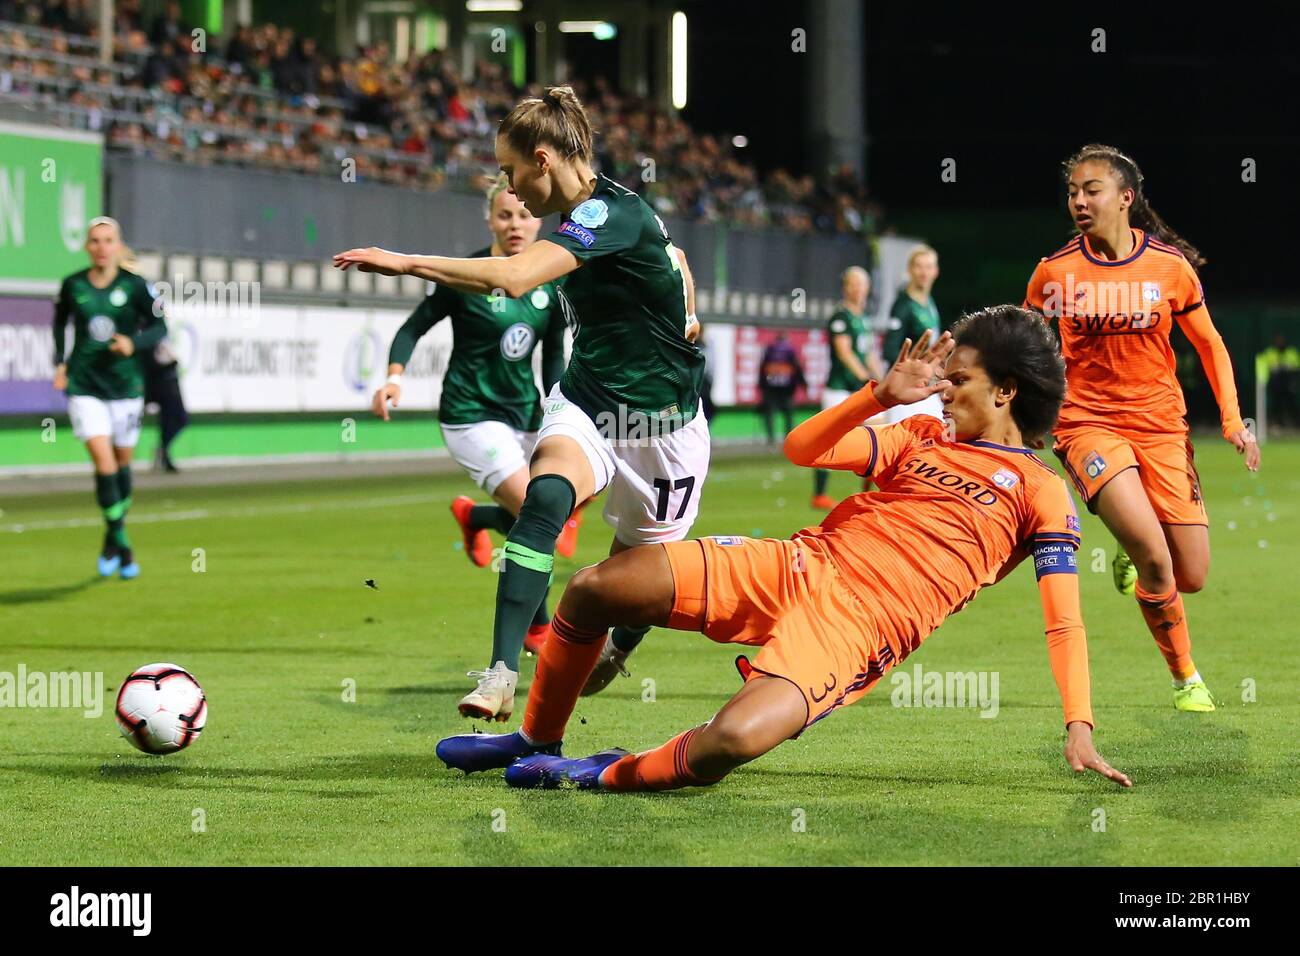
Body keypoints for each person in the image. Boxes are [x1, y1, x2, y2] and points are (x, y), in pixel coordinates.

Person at [435, 309, 1132, 794]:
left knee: (728, 744)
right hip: (796, 565)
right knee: (595, 588)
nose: (943, 390)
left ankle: (608, 770)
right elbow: (805, 450)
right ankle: (537, 739)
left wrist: (1080, 727)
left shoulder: (1042, 492)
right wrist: (874, 397)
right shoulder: (922, 436)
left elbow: (1063, 620)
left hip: (857, 631)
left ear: (1007, 391)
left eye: (961, 380)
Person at [335, 86, 709, 720]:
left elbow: (515, 276)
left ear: (542, 159)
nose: (508, 186)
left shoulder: (605, 215)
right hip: (590, 398)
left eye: (509, 170)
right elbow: (673, 256)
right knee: (544, 501)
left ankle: (616, 652)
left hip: (660, 422)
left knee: (636, 581)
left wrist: (404, 263)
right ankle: (501, 673)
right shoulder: (590, 217)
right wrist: (689, 309)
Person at [1024, 144, 1259, 712]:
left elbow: (1209, 344)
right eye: (1073, 192)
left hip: (1161, 428)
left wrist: (1232, 420)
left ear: (1126, 198)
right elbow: (1025, 346)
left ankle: (1137, 545)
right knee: (1158, 558)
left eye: (1091, 190)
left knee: (1192, 574)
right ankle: (1186, 678)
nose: (1078, 201)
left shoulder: (1169, 268)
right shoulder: (1055, 272)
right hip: (1087, 426)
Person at [371, 174, 572, 714]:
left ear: (539, 219)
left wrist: (559, 408)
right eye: (505, 216)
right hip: (469, 417)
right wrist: (393, 377)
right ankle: (538, 627)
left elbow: (553, 356)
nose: (515, 225)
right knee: (538, 510)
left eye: (524, 215)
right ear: (490, 220)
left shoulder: (550, 284)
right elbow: (415, 327)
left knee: (546, 512)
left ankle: (479, 519)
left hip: (526, 416)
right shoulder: (468, 276)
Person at [52, 217, 167, 579]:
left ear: (118, 246)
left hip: (125, 387)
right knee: (103, 462)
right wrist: (60, 362)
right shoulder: (73, 285)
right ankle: (122, 539)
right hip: (86, 385)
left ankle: (112, 537)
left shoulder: (136, 287)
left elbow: (161, 325)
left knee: (121, 465)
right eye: (95, 241)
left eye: (108, 240)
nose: (101, 247)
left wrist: (134, 342)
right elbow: (60, 323)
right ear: (87, 246)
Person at [812, 266, 881, 509]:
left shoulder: (863, 318)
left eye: (861, 284)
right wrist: (864, 376)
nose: (858, 289)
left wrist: (879, 377)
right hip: (839, 387)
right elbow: (844, 352)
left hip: (858, 388)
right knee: (826, 439)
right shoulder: (840, 317)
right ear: (845, 288)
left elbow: (868, 353)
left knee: (878, 435)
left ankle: (869, 493)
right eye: (853, 284)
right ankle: (819, 494)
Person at [882, 244, 943, 425]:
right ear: (910, 270)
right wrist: (921, 366)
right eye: (919, 266)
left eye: (928, 267)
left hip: (927, 385)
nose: (924, 272)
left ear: (936, 271)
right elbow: (890, 350)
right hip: (906, 389)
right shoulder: (902, 306)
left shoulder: (929, 302)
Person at [141, 331, 189, 473]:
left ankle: (163, 450)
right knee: (169, 420)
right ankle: (164, 454)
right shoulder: (149, 337)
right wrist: (170, 365)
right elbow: (150, 363)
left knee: (179, 419)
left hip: (171, 382)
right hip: (162, 383)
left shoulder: (164, 336)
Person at [757, 332, 805, 444]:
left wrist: (761, 385)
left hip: (770, 387)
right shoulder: (790, 350)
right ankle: (788, 438)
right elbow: (797, 367)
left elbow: (762, 368)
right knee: (788, 414)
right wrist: (803, 383)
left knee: (770, 413)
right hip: (787, 389)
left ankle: (771, 438)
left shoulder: (769, 350)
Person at [1257, 333, 1299, 430]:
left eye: (1281, 341)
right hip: (1276, 385)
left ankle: (1294, 423)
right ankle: (1277, 423)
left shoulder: (1291, 352)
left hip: (1289, 385)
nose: (1280, 343)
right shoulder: (1269, 352)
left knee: (1291, 404)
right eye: (1278, 341)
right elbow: (1264, 367)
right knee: (1276, 404)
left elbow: (1296, 367)